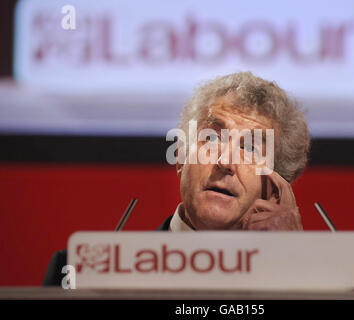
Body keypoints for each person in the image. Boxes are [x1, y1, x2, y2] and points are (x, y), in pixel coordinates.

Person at [42, 72, 310, 286]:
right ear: (181, 157)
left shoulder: (316, 284)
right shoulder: (79, 277)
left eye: (250, 148)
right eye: (212, 138)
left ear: (276, 187)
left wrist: (291, 269)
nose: (225, 162)